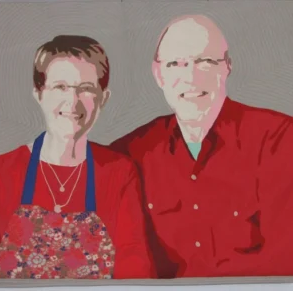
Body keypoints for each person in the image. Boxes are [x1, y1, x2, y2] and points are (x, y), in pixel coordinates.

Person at [110, 15, 293, 278]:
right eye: (175, 64)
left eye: (205, 62)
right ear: (158, 74)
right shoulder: (128, 155)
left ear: (227, 66)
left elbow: (285, 260)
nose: (191, 77)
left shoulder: (280, 139)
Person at [0, 35, 154, 279]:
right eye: (61, 87)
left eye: (86, 89)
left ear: (103, 99)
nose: (73, 101)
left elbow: (136, 265)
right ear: (39, 94)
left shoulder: (119, 172)